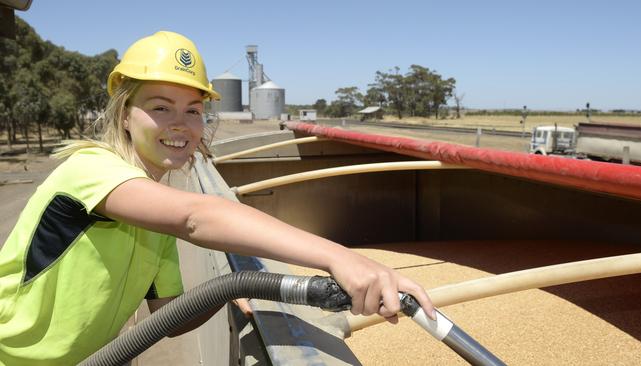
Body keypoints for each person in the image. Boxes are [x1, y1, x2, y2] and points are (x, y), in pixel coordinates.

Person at [0, 31, 435, 365]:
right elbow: (197, 217)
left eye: (193, 110)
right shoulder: (90, 170)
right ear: (125, 114)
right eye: (161, 106)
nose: (181, 123)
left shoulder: (153, 219)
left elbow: (174, 317)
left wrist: (245, 292)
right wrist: (341, 257)